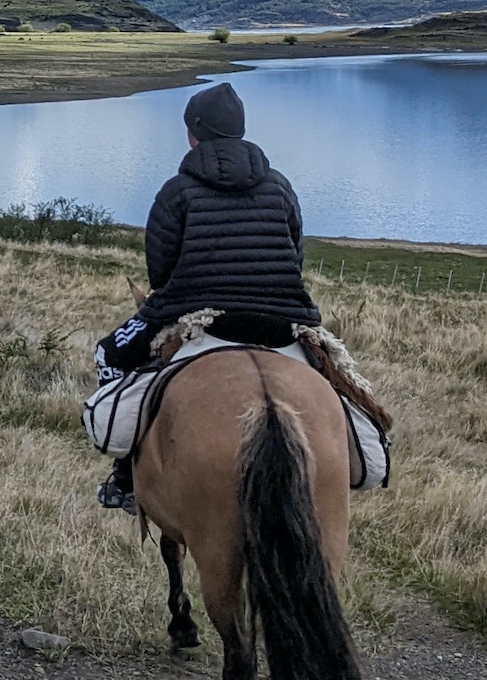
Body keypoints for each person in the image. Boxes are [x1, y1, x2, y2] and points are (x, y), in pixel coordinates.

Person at [93, 81, 321, 510]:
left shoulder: (176, 190)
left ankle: (125, 475)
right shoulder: (280, 186)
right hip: (282, 314)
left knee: (107, 355)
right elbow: (296, 254)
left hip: (194, 311)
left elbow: (159, 269)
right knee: (337, 382)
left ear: (193, 132)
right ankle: (363, 457)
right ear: (239, 129)